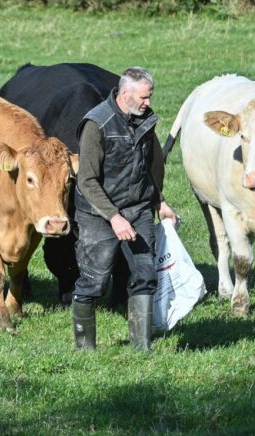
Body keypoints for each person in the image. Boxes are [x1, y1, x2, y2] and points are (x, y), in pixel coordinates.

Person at [71, 67, 177, 352]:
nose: (148, 103)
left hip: (138, 207)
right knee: (94, 282)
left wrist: (160, 202)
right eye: (144, 97)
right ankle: (84, 349)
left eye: (149, 96)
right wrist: (114, 217)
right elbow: (87, 181)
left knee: (146, 275)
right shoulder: (97, 124)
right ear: (125, 94)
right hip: (98, 213)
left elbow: (147, 169)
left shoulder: (145, 120)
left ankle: (142, 348)